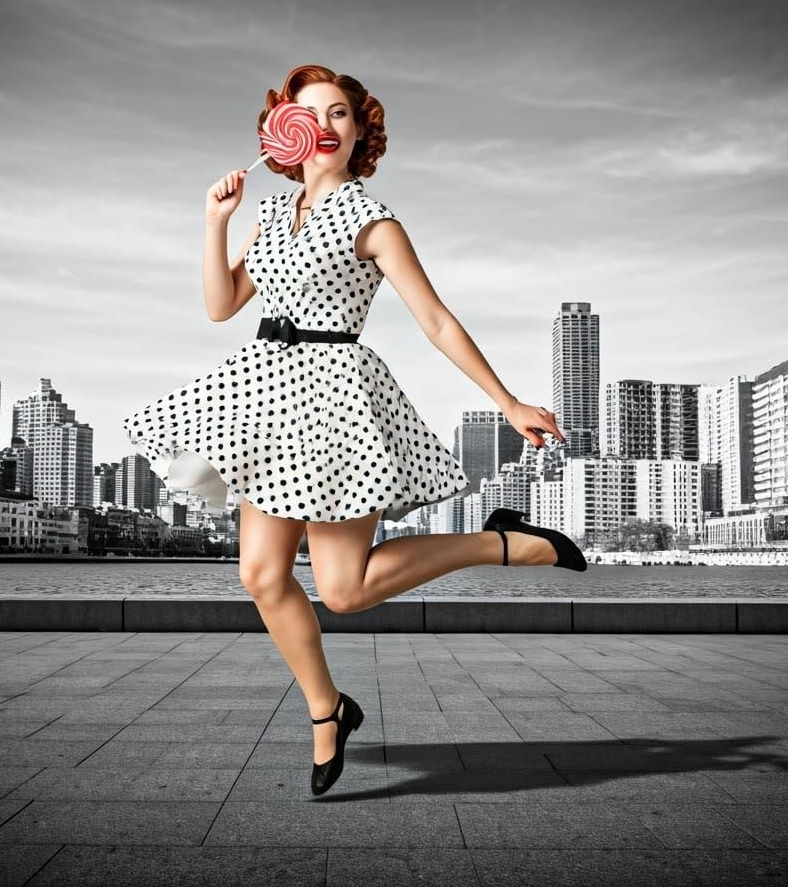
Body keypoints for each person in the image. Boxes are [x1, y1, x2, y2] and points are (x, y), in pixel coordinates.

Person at [124, 63, 586, 797]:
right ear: (287, 129)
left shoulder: (373, 220)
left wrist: (507, 401)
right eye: (314, 113)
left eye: (343, 114)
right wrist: (215, 224)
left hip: (336, 401)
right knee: (260, 574)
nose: (329, 126)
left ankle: (501, 542)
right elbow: (222, 306)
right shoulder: (272, 215)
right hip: (264, 397)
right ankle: (327, 711)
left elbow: (435, 319)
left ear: (359, 131)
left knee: (343, 590)